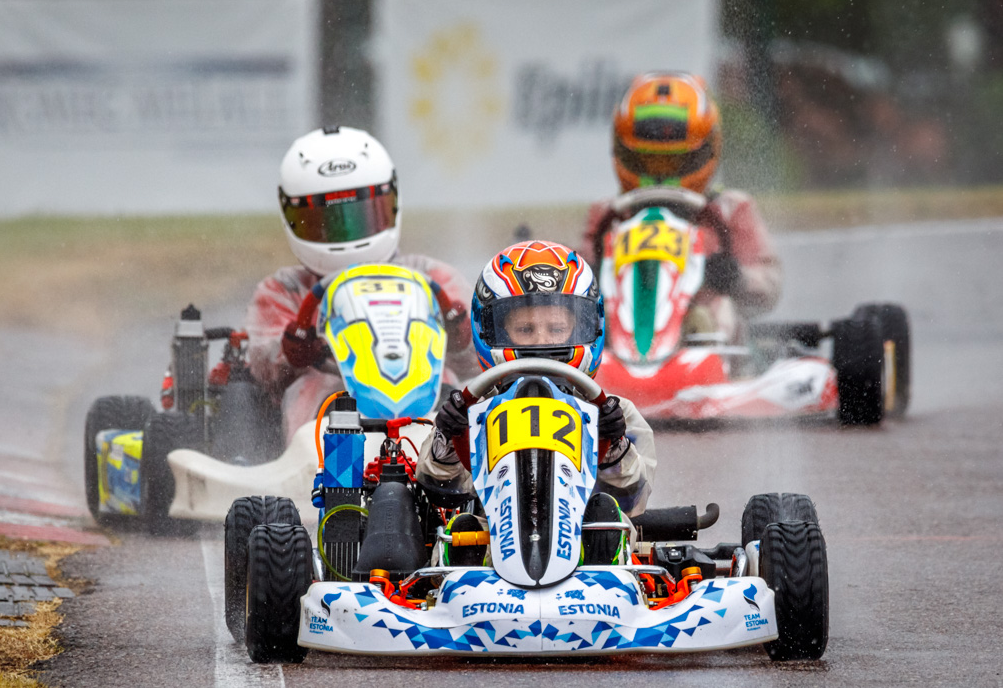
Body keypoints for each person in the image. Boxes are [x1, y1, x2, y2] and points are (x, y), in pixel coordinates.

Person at [417, 240, 657, 564]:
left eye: (556, 328)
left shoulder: (616, 413)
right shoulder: (472, 410)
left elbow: (633, 499)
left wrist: (614, 445)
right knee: (462, 528)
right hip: (493, 553)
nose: (542, 341)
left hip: (587, 552)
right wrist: (448, 437)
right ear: (491, 330)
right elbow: (438, 489)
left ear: (589, 326)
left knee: (606, 517)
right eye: (525, 329)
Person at [246, 126, 478, 442]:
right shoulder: (285, 290)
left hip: (425, 407)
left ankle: (451, 456)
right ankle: (319, 465)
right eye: (329, 221)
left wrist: (461, 338)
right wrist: (293, 353)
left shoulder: (431, 277)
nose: (347, 231)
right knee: (311, 387)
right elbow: (264, 375)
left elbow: (478, 367)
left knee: (450, 384)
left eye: (361, 214)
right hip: (330, 407)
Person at [581, 72, 781, 341]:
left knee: (720, 309)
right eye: (649, 162)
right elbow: (572, 283)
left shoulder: (731, 209)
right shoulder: (607, 214)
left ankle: (703, 348)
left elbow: (770, 285)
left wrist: (735, 277)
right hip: (619, 334)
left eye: (674, 162)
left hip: (705, 337)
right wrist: (590, 273)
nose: (661, 175)